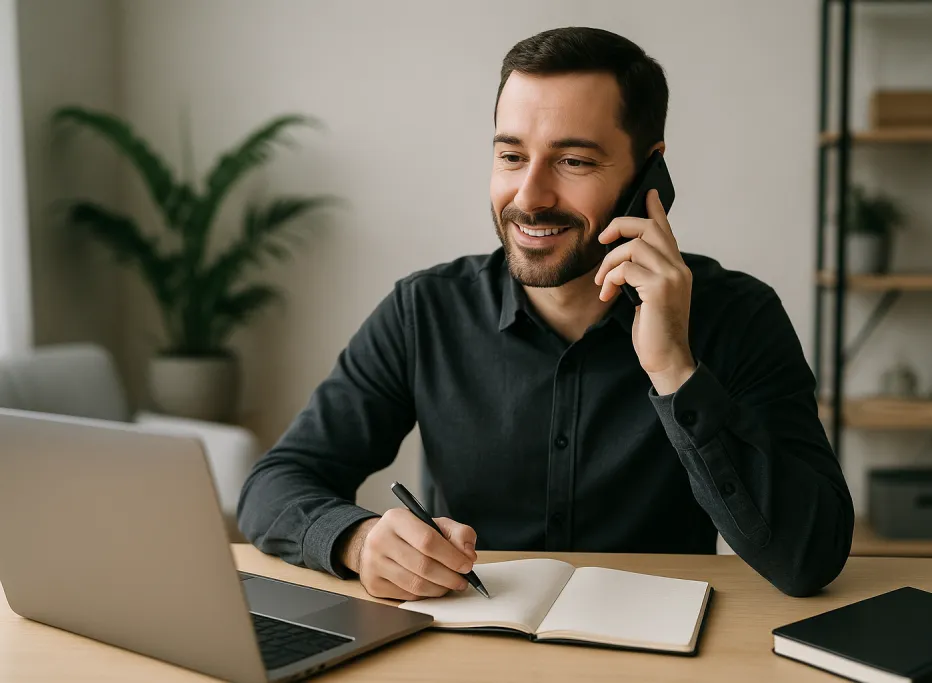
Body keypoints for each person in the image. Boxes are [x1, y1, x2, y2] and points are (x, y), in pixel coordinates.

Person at [237, 26, 854, 600]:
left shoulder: (738, 315)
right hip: (469, 646)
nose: (529, 197)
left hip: (664, 651)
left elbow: (810, 557)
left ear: (649, 172)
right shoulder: (425, 310)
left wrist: (675, 370)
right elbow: (276, 483)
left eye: (574, 161)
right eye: (511, 157)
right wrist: (357, 539)